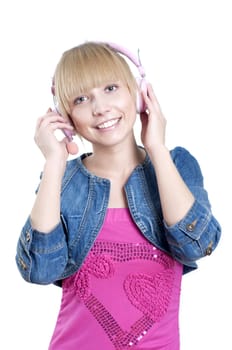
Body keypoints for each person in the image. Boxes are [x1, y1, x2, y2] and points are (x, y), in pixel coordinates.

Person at [16, 41, 221, 350]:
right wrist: (54, 162)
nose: (100, 108)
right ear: (66, 115)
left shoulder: (177, 164)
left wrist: (156, 148)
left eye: (111, 88)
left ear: (138, 93)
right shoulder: (62, 179)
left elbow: (197, 245)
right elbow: (39, 270)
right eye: (82, 98)